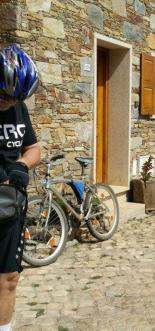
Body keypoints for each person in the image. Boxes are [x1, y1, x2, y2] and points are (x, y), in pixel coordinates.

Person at [0, 44, 41, 331]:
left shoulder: (18, 108)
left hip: (8, 207)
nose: (10, 102)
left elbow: (34, 148)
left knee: (9, 279)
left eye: (17, 98)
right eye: (5, 96)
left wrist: (23, 165)